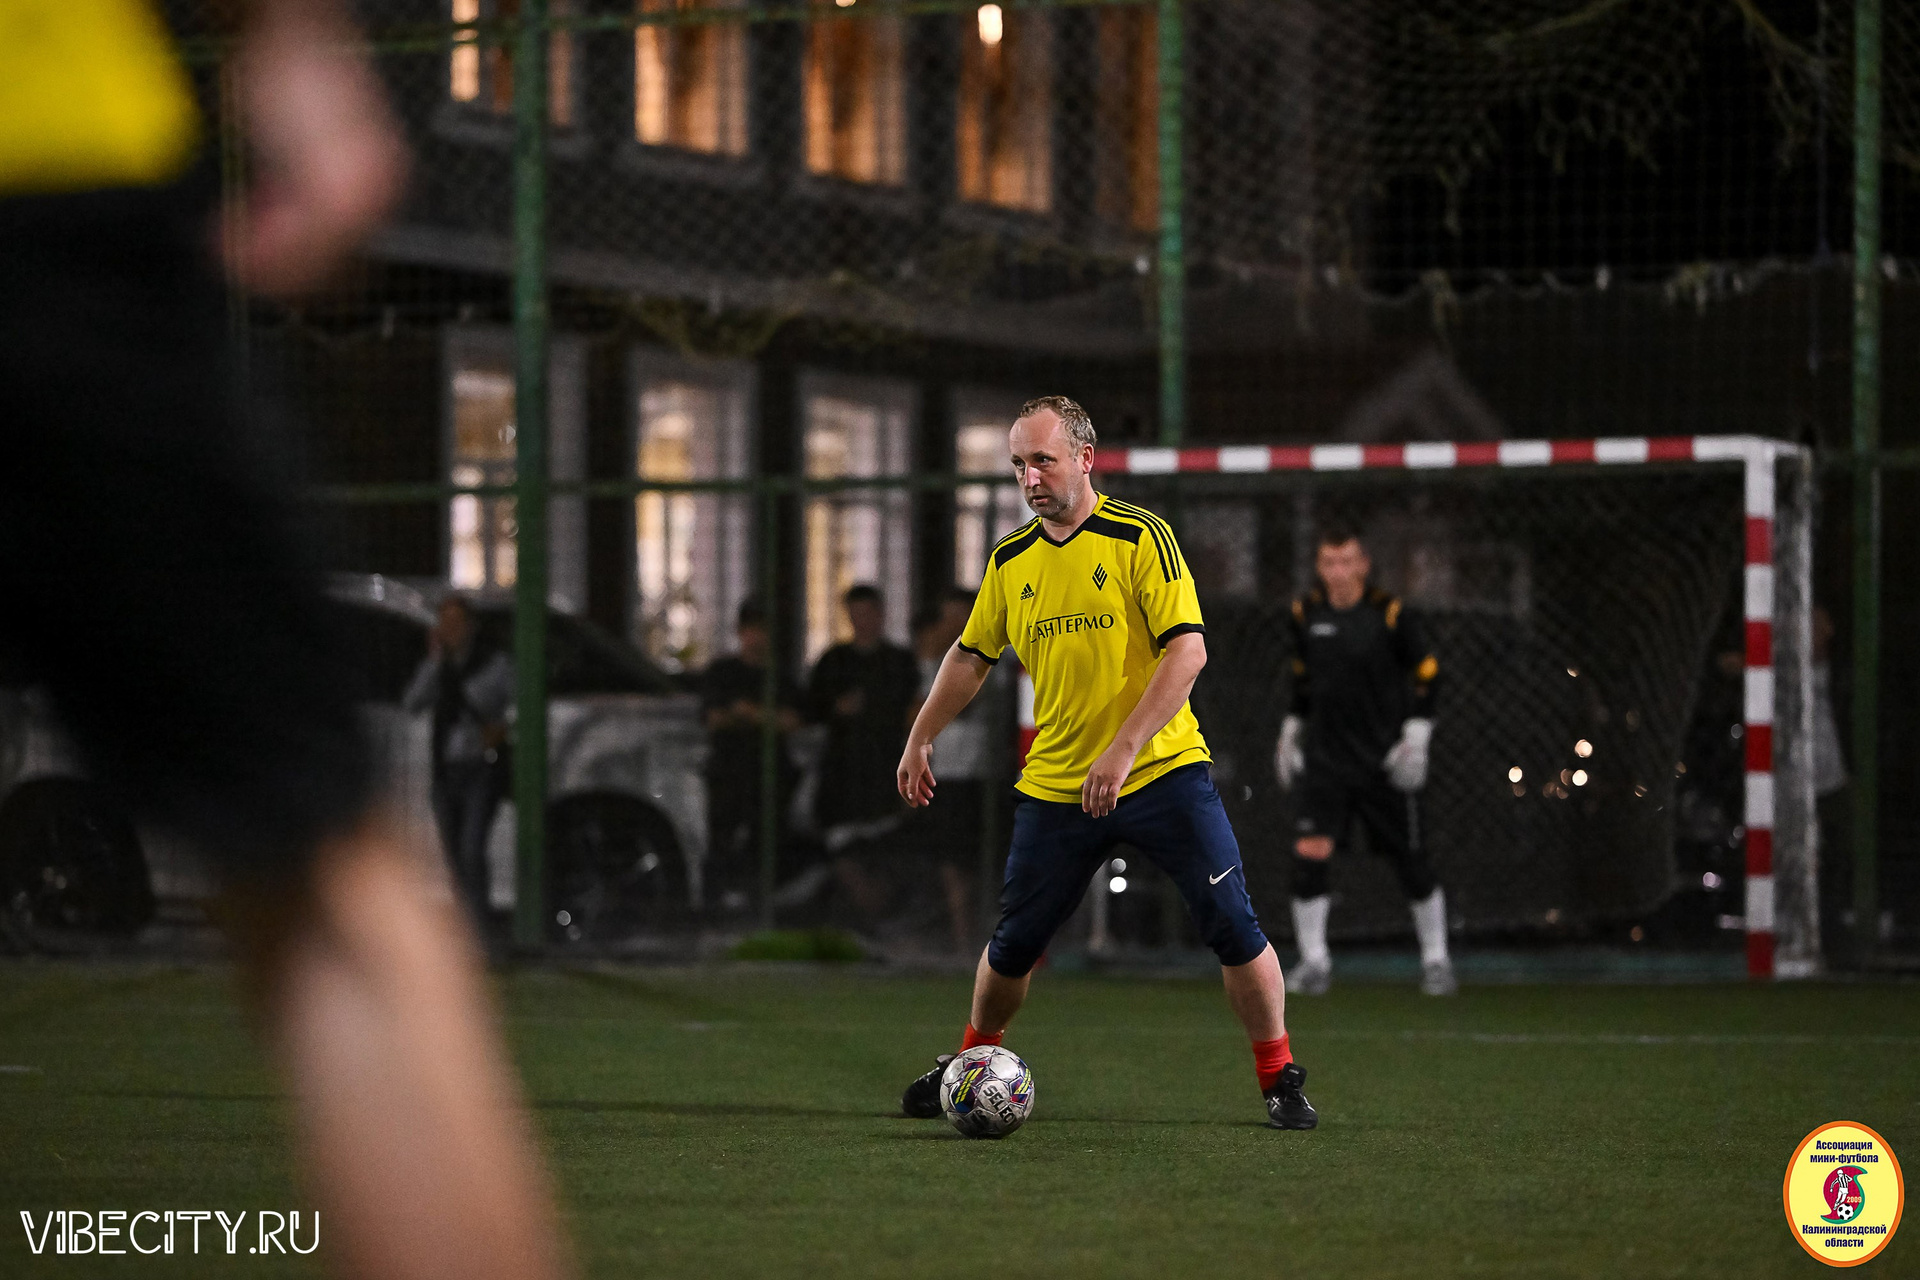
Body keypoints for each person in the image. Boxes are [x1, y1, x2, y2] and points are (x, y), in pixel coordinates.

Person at [0, 3, 568, 1277]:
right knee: (328, 904)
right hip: (46, 188)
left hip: (54, 196)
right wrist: (298, 41)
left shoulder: (464, 656)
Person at [895, 396, 1316, 1131]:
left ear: (1086, 459)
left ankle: (1278, 1077)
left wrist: (1122, 750)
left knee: (1232, 924)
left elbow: (1189, 651)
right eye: (1019, 465)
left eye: (1044, 460)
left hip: (1162, 773)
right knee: (1014, 945)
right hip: (1058, 787)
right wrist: (920, 735)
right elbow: (970, 655)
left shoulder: (1141, 536)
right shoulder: (1010, 560)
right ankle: (969, 1065)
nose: (1030, 478)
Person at [1273, 523, 1451, 997]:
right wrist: (1290, 730)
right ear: (1319, 567)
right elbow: (1303, 681)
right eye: (1329, 562)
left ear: (1364, 565)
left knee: (1412, 860)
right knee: (1310, 854)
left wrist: (1418, 733)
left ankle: (1436, 960)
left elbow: (1428, 674)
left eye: (1347, 561)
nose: (1338, 571)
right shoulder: (1305, 613)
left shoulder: (1390, 614)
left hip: (1383, 759)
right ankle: (1314, 962)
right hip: (1326, 761)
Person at [806, 584, 921, 914]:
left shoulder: (899, 662)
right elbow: (811, 707)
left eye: (868, 613)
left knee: (885, 846)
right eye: (855, 615)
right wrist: (836, 708)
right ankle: (865, 910)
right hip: (842, 773)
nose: (862, 621)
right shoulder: (834, 661)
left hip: (885, 769)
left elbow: (913, 712)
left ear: (881, 615)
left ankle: (882, 911)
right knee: (842, 846)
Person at [403, 595, 515, 926]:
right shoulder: (439, 667)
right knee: (453, 855)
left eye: (456, 623)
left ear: (471, 626)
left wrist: (499, 725)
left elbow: (515, 703)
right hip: (446, 769)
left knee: (471, 849)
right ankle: (464, 924)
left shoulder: (493, 664)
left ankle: (478, 925)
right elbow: (413, 702)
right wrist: (435, 663)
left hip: (480, 767)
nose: (449, 630)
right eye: (444, 623)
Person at [700, 600, 801, 910]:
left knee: (767, 840)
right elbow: (714, 718)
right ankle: (720, 902)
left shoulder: (780, 677)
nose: (757, 638)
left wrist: (748, 713)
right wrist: (765, 717)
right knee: (723, 839)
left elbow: (792, 721)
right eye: (751, 630)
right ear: (741, 633)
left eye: (763, 631)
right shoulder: (723, 672)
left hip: (770, 774)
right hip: (729, 771)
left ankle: (763, 900)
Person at [910, 589, 994, 952]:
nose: (954, 626)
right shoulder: (933, 664)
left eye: (962, 617)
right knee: (951, 857)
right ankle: (961, 936)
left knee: (982, 854)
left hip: (986, 772)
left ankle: (982, 932)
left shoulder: (994, 653)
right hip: (948, 773)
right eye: (948, 618)